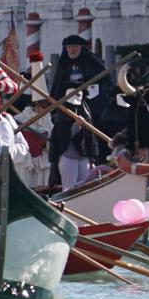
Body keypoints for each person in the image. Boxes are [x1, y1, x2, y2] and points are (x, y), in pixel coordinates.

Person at [44, 34, 107, 191]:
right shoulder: (63, 64)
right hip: (66, 104)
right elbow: (58, 86)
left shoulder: (91, 62)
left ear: (81, 48)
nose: (72, 50)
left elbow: (103, 81)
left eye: (75, 47)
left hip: (89, 103)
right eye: (69, 47)